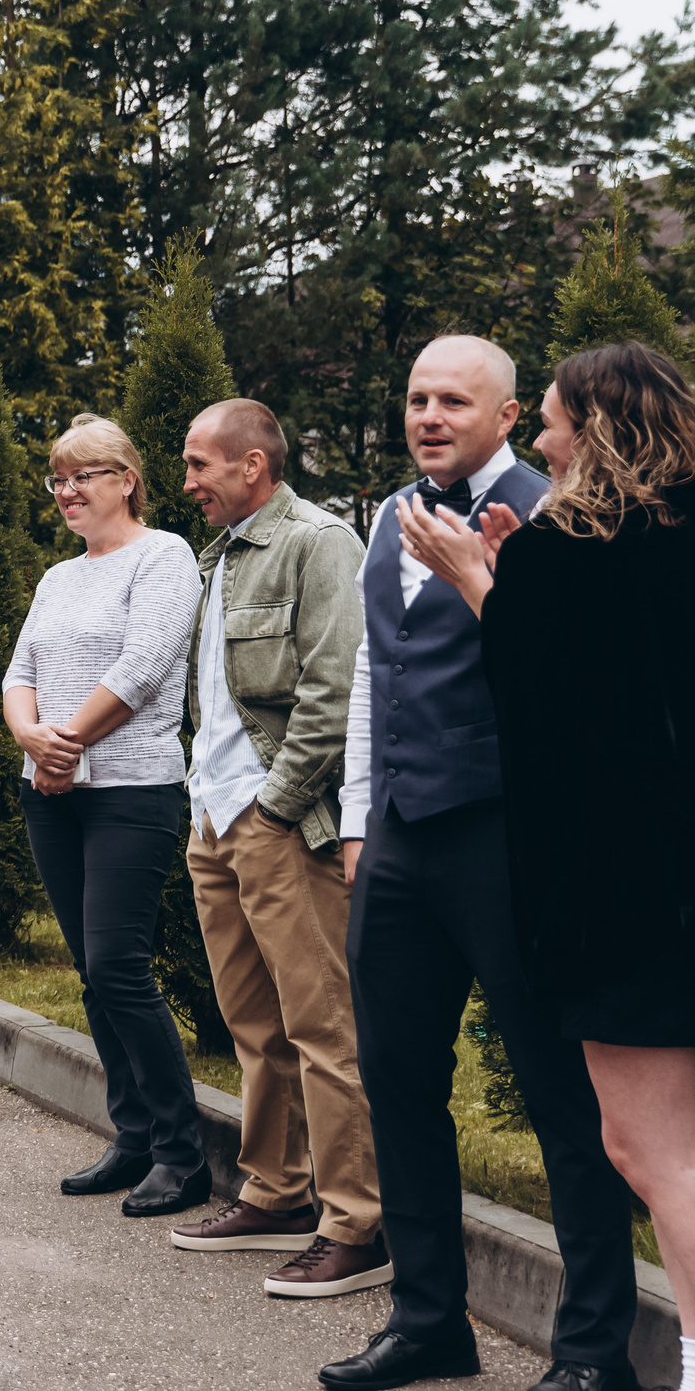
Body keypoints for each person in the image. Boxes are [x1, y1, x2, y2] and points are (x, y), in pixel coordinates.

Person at [317, 336, 643, 1391]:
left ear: (507, 416)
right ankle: (427, 1320)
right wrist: (361, 818)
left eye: (453, 399)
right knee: (397, 1076)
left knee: (560, 1092)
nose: (429, 414)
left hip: (510, 836)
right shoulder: (384, 515)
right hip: (402, 834)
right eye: (415, 396)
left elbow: (571, 690)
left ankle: (593, 1350)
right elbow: (378, 670)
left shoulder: (557, 516)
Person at [449, 341, 695, 1391]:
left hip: (621, 897)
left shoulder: (566, 548)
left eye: (547, 420)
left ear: (590, 429)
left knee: (651, 1149)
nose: (539, 439)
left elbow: (539, 710)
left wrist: (480, 583)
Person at [172, 399, 388, 1297]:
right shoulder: (218, 552)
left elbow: (333, 689)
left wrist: (271, 807)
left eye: (198, 465)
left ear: (252, 465)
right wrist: (211, 808)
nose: (187, 482)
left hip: (278, 824)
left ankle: (358, 1222)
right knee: (255, 1024)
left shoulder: (318, 540)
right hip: (214, 820)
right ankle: (277, 1190)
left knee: (322, 1025)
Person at [0, 415, 210, 1218]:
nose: (67, 490)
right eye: (58, 478)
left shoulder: (164, 557)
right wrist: (30, 737)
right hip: (50, 792)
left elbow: (146, 665)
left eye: (84, 474)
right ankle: (132, 1136)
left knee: (121, 965)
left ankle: (181, 1153)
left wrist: (69, 743)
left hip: (130, 790)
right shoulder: (58, 576)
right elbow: (21, 670)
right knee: (92, 970)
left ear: (127, 478)